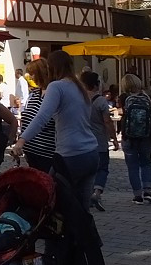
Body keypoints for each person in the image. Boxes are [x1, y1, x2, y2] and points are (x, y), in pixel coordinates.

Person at [12, 50, 100, 209]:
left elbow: (41, 117)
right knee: (82, 208)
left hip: (70, 154)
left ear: (52, 67)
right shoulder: (80, 86)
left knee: (54, 200)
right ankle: (83, 233)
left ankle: (68, 232)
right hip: (91, 152)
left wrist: (21, 140)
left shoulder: (56, 86)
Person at [119, 73, 151, 205]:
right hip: (146, 136)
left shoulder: (124, 98)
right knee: (146, 164)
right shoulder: (146, 97)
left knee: (132, 167)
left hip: (129, 136)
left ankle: (137, 195)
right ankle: (148, 190)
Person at [82, 71, 118, 212]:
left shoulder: (80, 100)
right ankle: (96, 193)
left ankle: (87, 194)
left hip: (84, 141)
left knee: (88, 170)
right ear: (96, 85)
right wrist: (114, 138)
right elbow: (107, 121)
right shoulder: (101, 101)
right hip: (100, 141)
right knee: (102, 168)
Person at [19, 59, 56, 174]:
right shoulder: (34, 93)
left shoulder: (54, 93)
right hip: (31, 150)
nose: (31, 77)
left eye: (33, 74)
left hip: (46, 151)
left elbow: (45, 120)